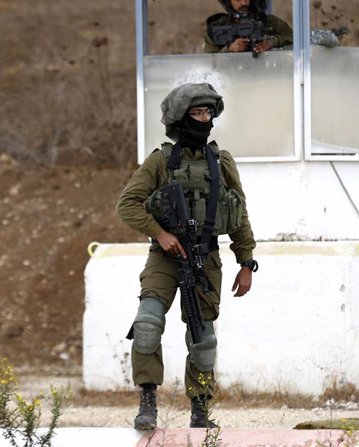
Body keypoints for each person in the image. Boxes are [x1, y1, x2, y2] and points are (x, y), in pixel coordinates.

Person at [116, 83, 258, 430]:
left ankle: (199, 407)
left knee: (202, 336)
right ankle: (148, 400)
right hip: (166, 256)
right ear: (181, 119)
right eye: (197, 113)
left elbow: (238, 213)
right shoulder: (161, 161)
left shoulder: (221, 162)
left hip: (206, 256)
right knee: (148, 323)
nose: (204, 119)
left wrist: (246, 261)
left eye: (208, 112)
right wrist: (160, 234)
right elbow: (127, 205)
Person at [204, 0, 293, 54]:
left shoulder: (268, 21)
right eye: (237, 0)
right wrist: (228, 50)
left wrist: (272, 42)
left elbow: (294, 37)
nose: (243, 3)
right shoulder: (219, 28)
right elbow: (208, 62)